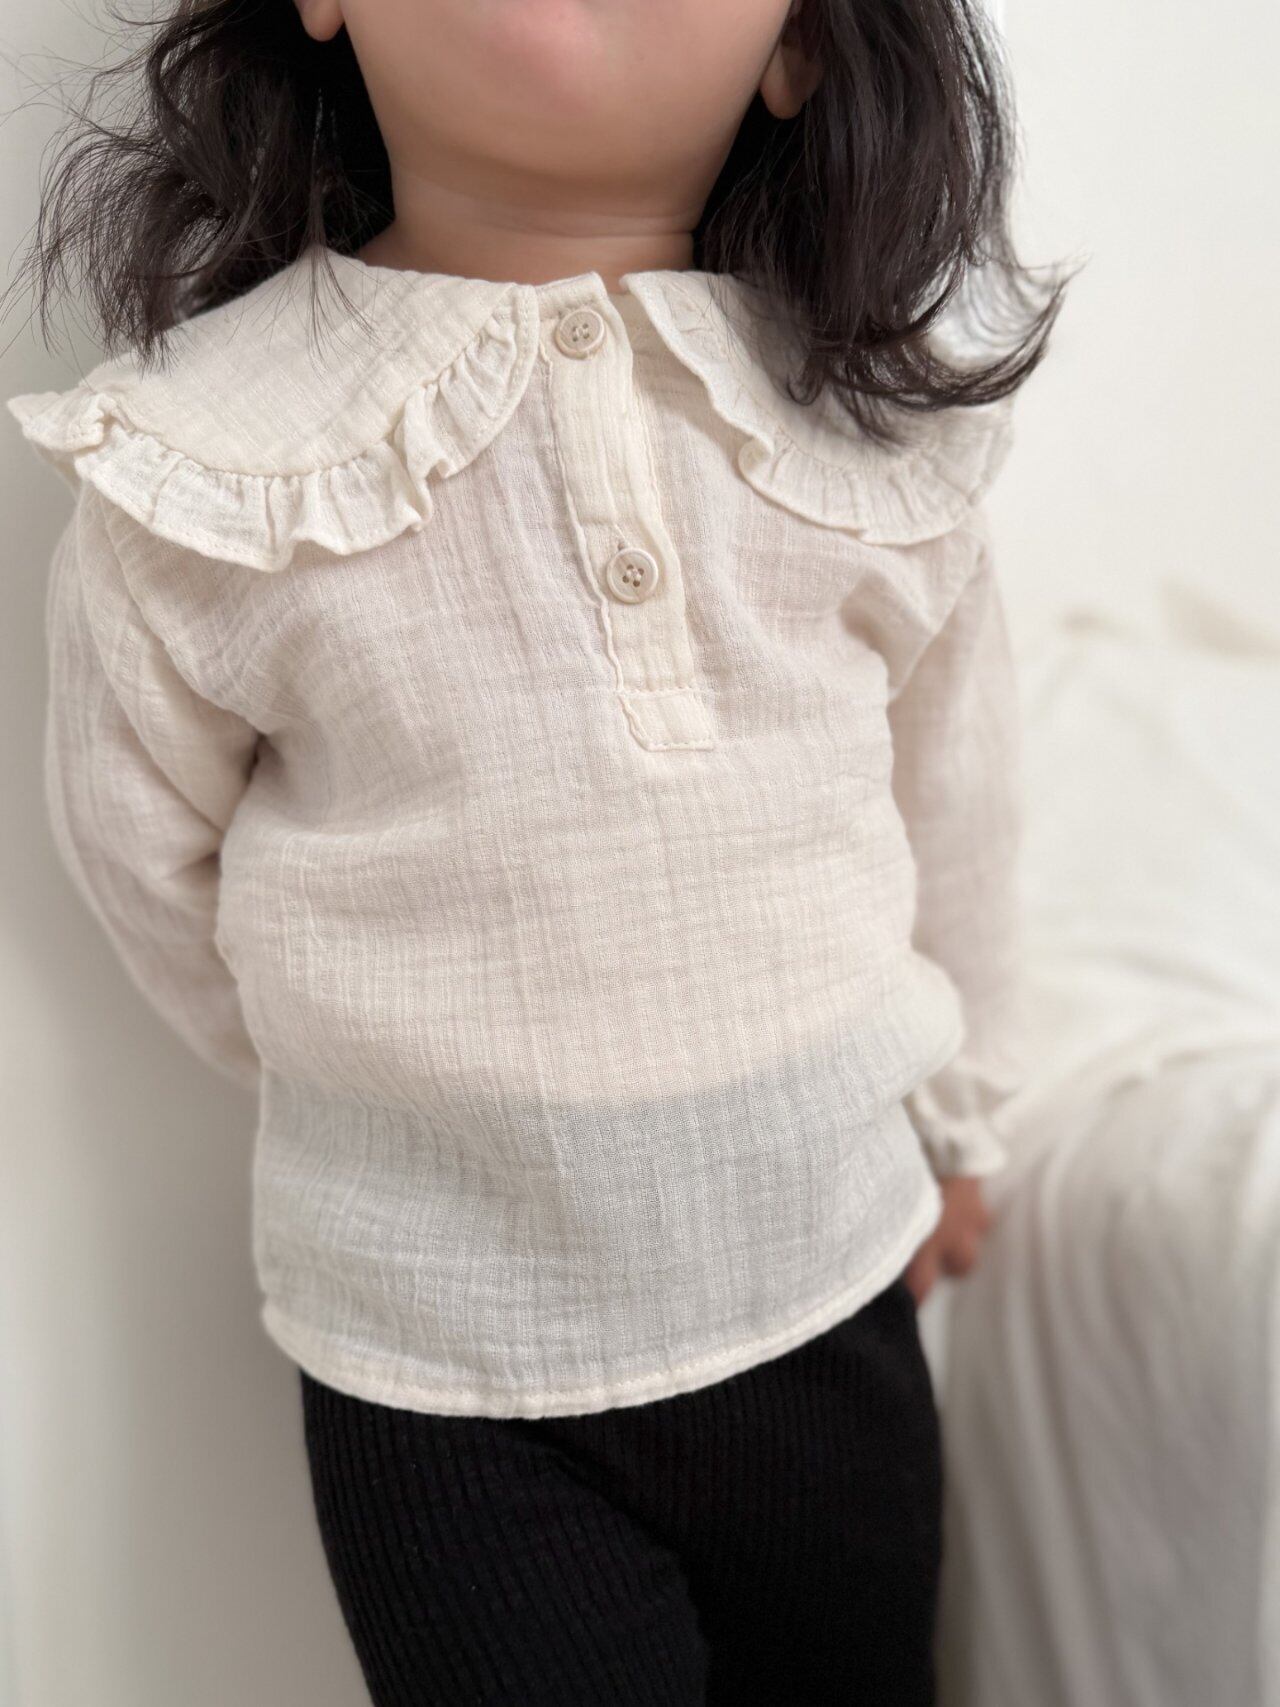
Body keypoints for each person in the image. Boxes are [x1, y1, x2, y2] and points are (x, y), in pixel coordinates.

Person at [5, 0, 1071, 1699]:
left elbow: (963, 803)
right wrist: (388, 1088)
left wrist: (964, 1120)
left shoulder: (864, 426)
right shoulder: (205, 461)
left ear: (798, 52)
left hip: (832, 1284)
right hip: (440, 1370)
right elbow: (142, 856)